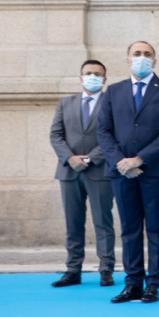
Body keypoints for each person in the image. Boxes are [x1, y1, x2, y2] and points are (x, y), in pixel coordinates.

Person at [97, 41, 159, 304]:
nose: (142, 58)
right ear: (127, 60)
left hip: (155, 171)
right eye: (137, 54)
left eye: (147, 54)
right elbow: (104, 131)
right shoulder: (113, 91)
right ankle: (132, 282)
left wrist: (140, 159)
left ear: (154, 61)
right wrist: (120, 161)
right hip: (122, 172)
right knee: (130, 228)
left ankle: (153, 284)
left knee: (157, 229)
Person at [48, 59, 116, 288]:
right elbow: (56, 134)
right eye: (88, 73)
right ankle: (72, 269)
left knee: (102, 222)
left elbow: (113, 136)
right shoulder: (65, 103)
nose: (93, 77)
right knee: (73, 222)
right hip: (69, 172)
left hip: (99, 171)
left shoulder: (112, 103)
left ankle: (106, 268)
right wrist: (70, 158)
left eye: (98, 74)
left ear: (105, 79)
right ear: (80, 77)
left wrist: (89, 158)